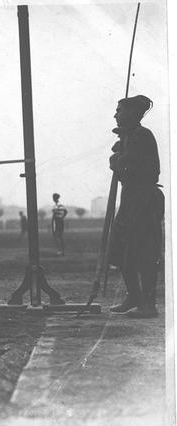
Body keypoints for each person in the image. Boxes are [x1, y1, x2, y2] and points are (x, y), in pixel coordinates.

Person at [108, 95, 163, 318]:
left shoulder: (142, 136)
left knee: (144, 251)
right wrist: (120, 149)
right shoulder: (130, 137)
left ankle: (148, 305)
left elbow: (123, 165)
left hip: (145, 199)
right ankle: (134, 296)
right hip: (131, 197)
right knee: (121, 249)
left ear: (131, 114)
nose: (115, 114)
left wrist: (116, 157)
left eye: (119, 110)